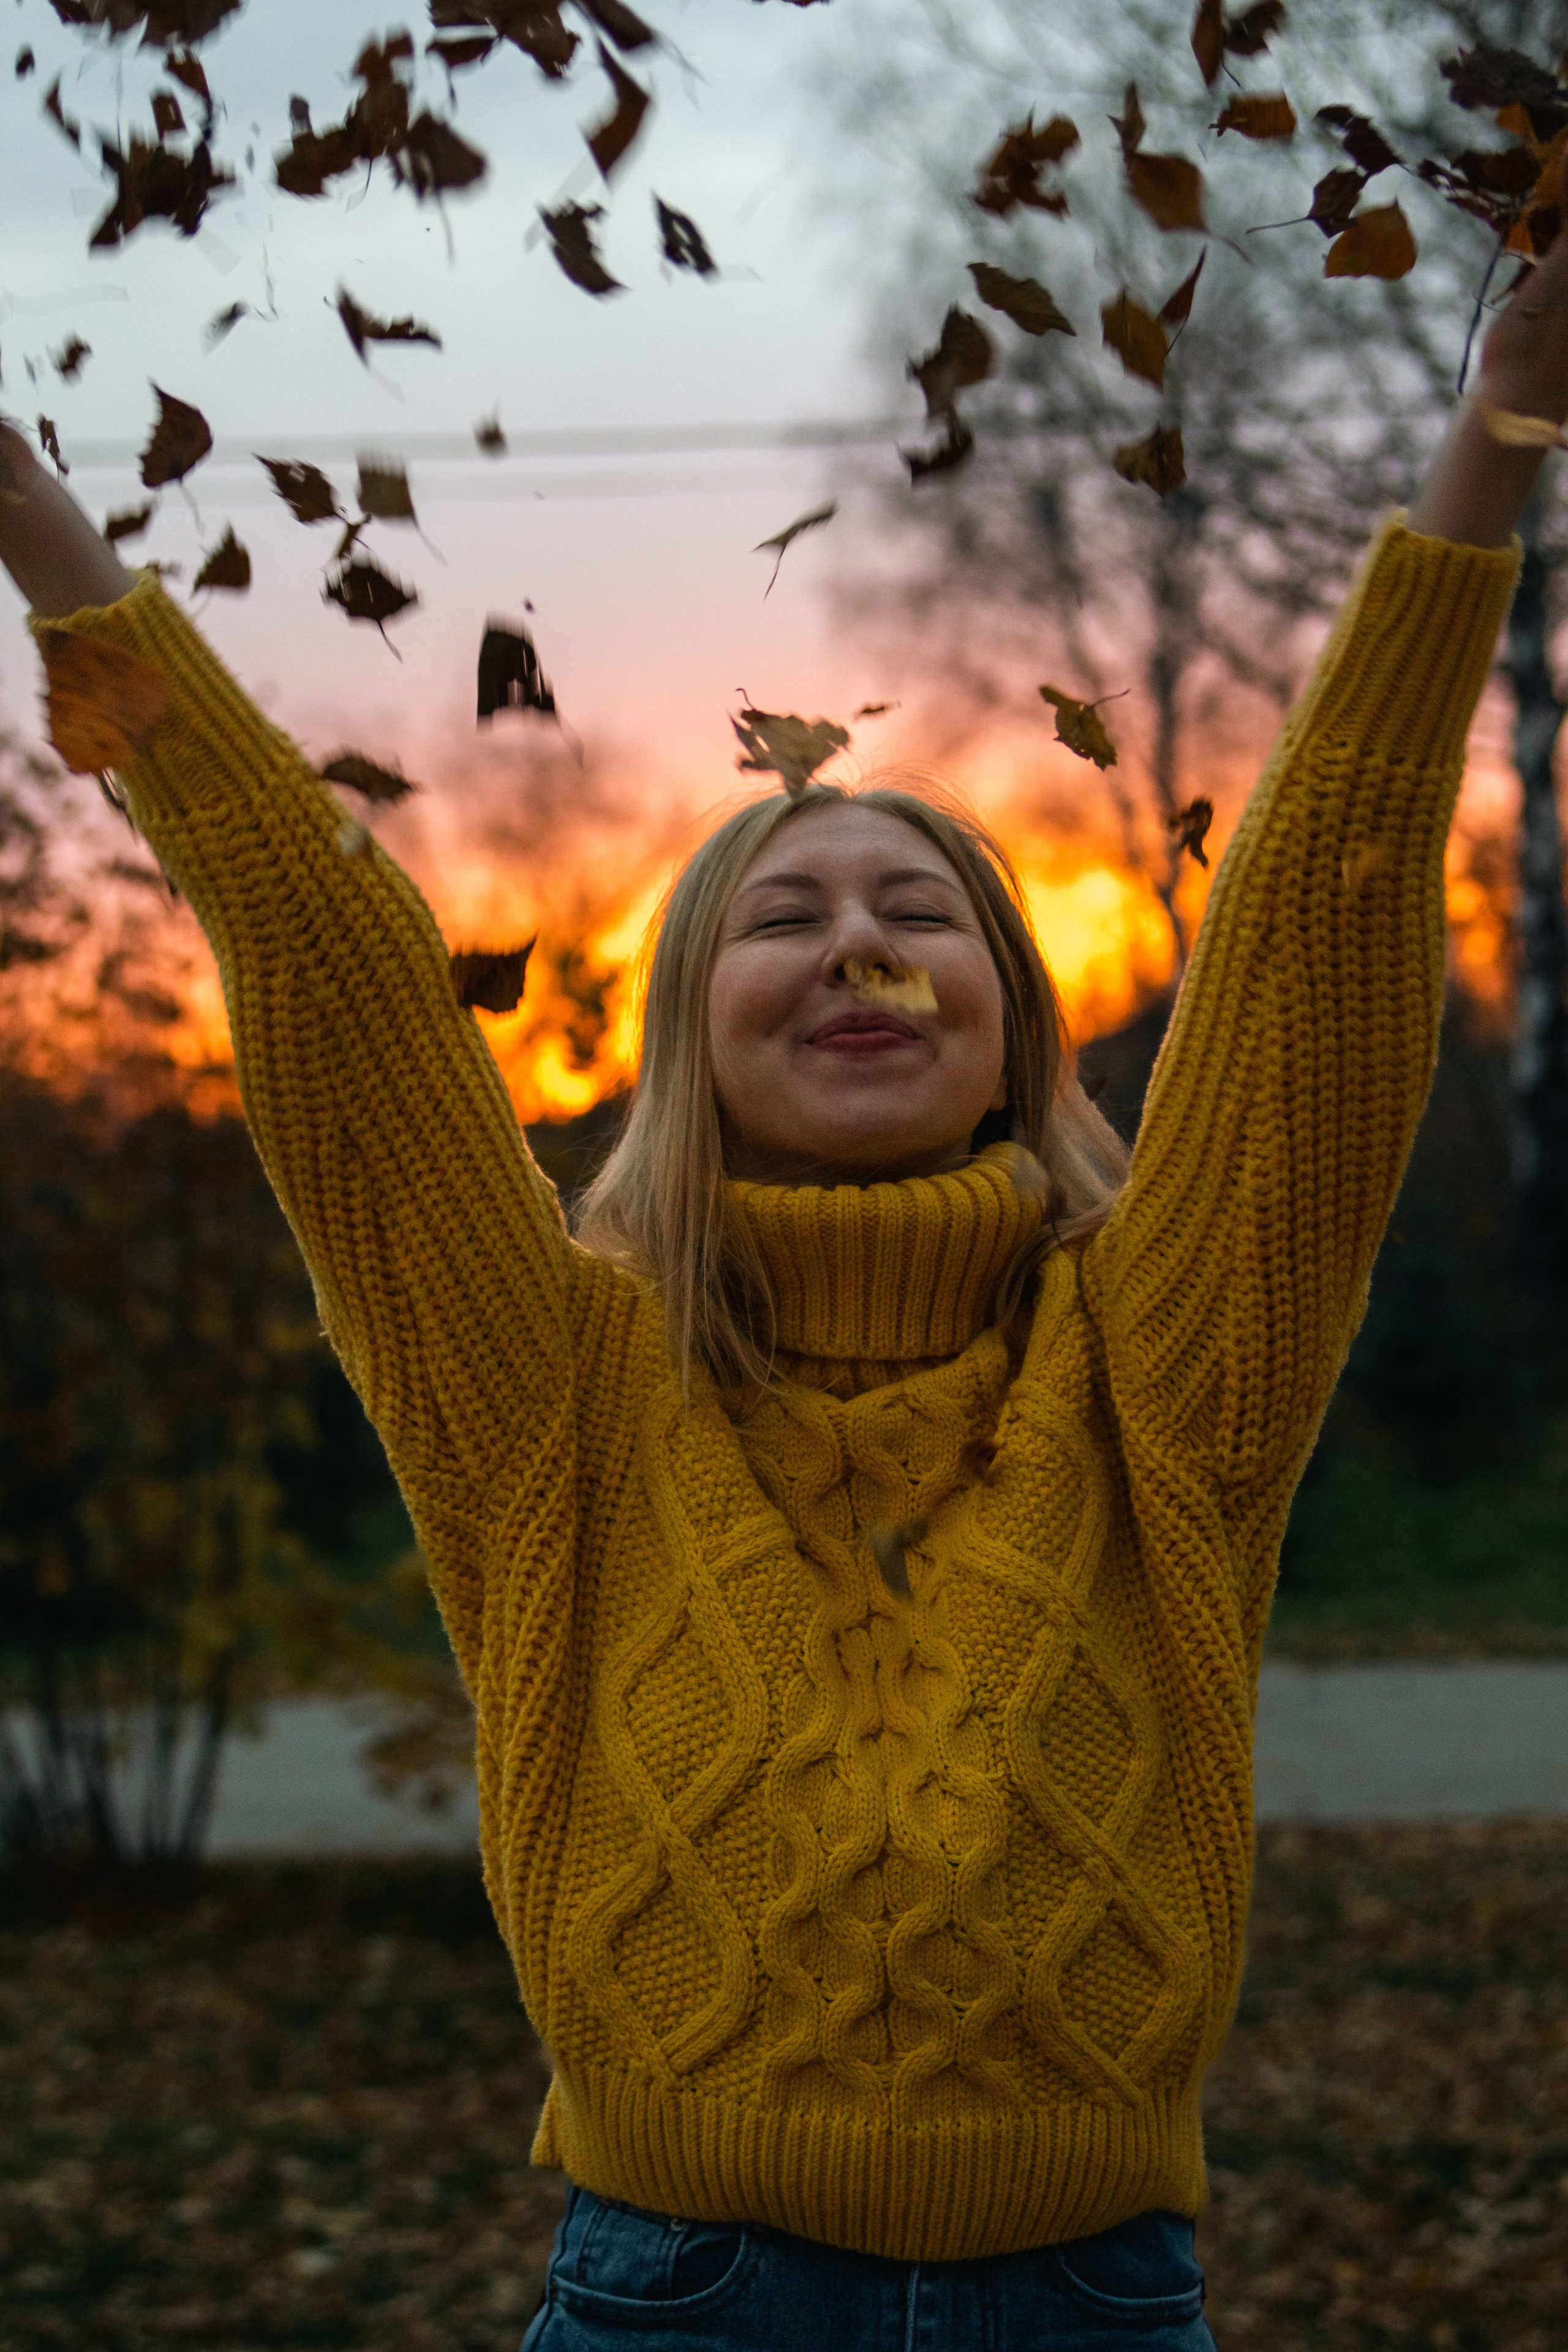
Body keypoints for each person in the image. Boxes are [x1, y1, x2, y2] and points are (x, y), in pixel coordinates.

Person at [1, 235, 1563, 2350]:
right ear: (687, 1039)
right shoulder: (552, 1382)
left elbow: (1325, 925)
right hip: (677, 2299)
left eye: (921, 910)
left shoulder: (1166, 1362)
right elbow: (332, 978)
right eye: (783, 917)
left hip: (1094, 2304)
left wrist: (1503, 430)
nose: (858, 944)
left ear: (1012, 1027)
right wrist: (36, 524)